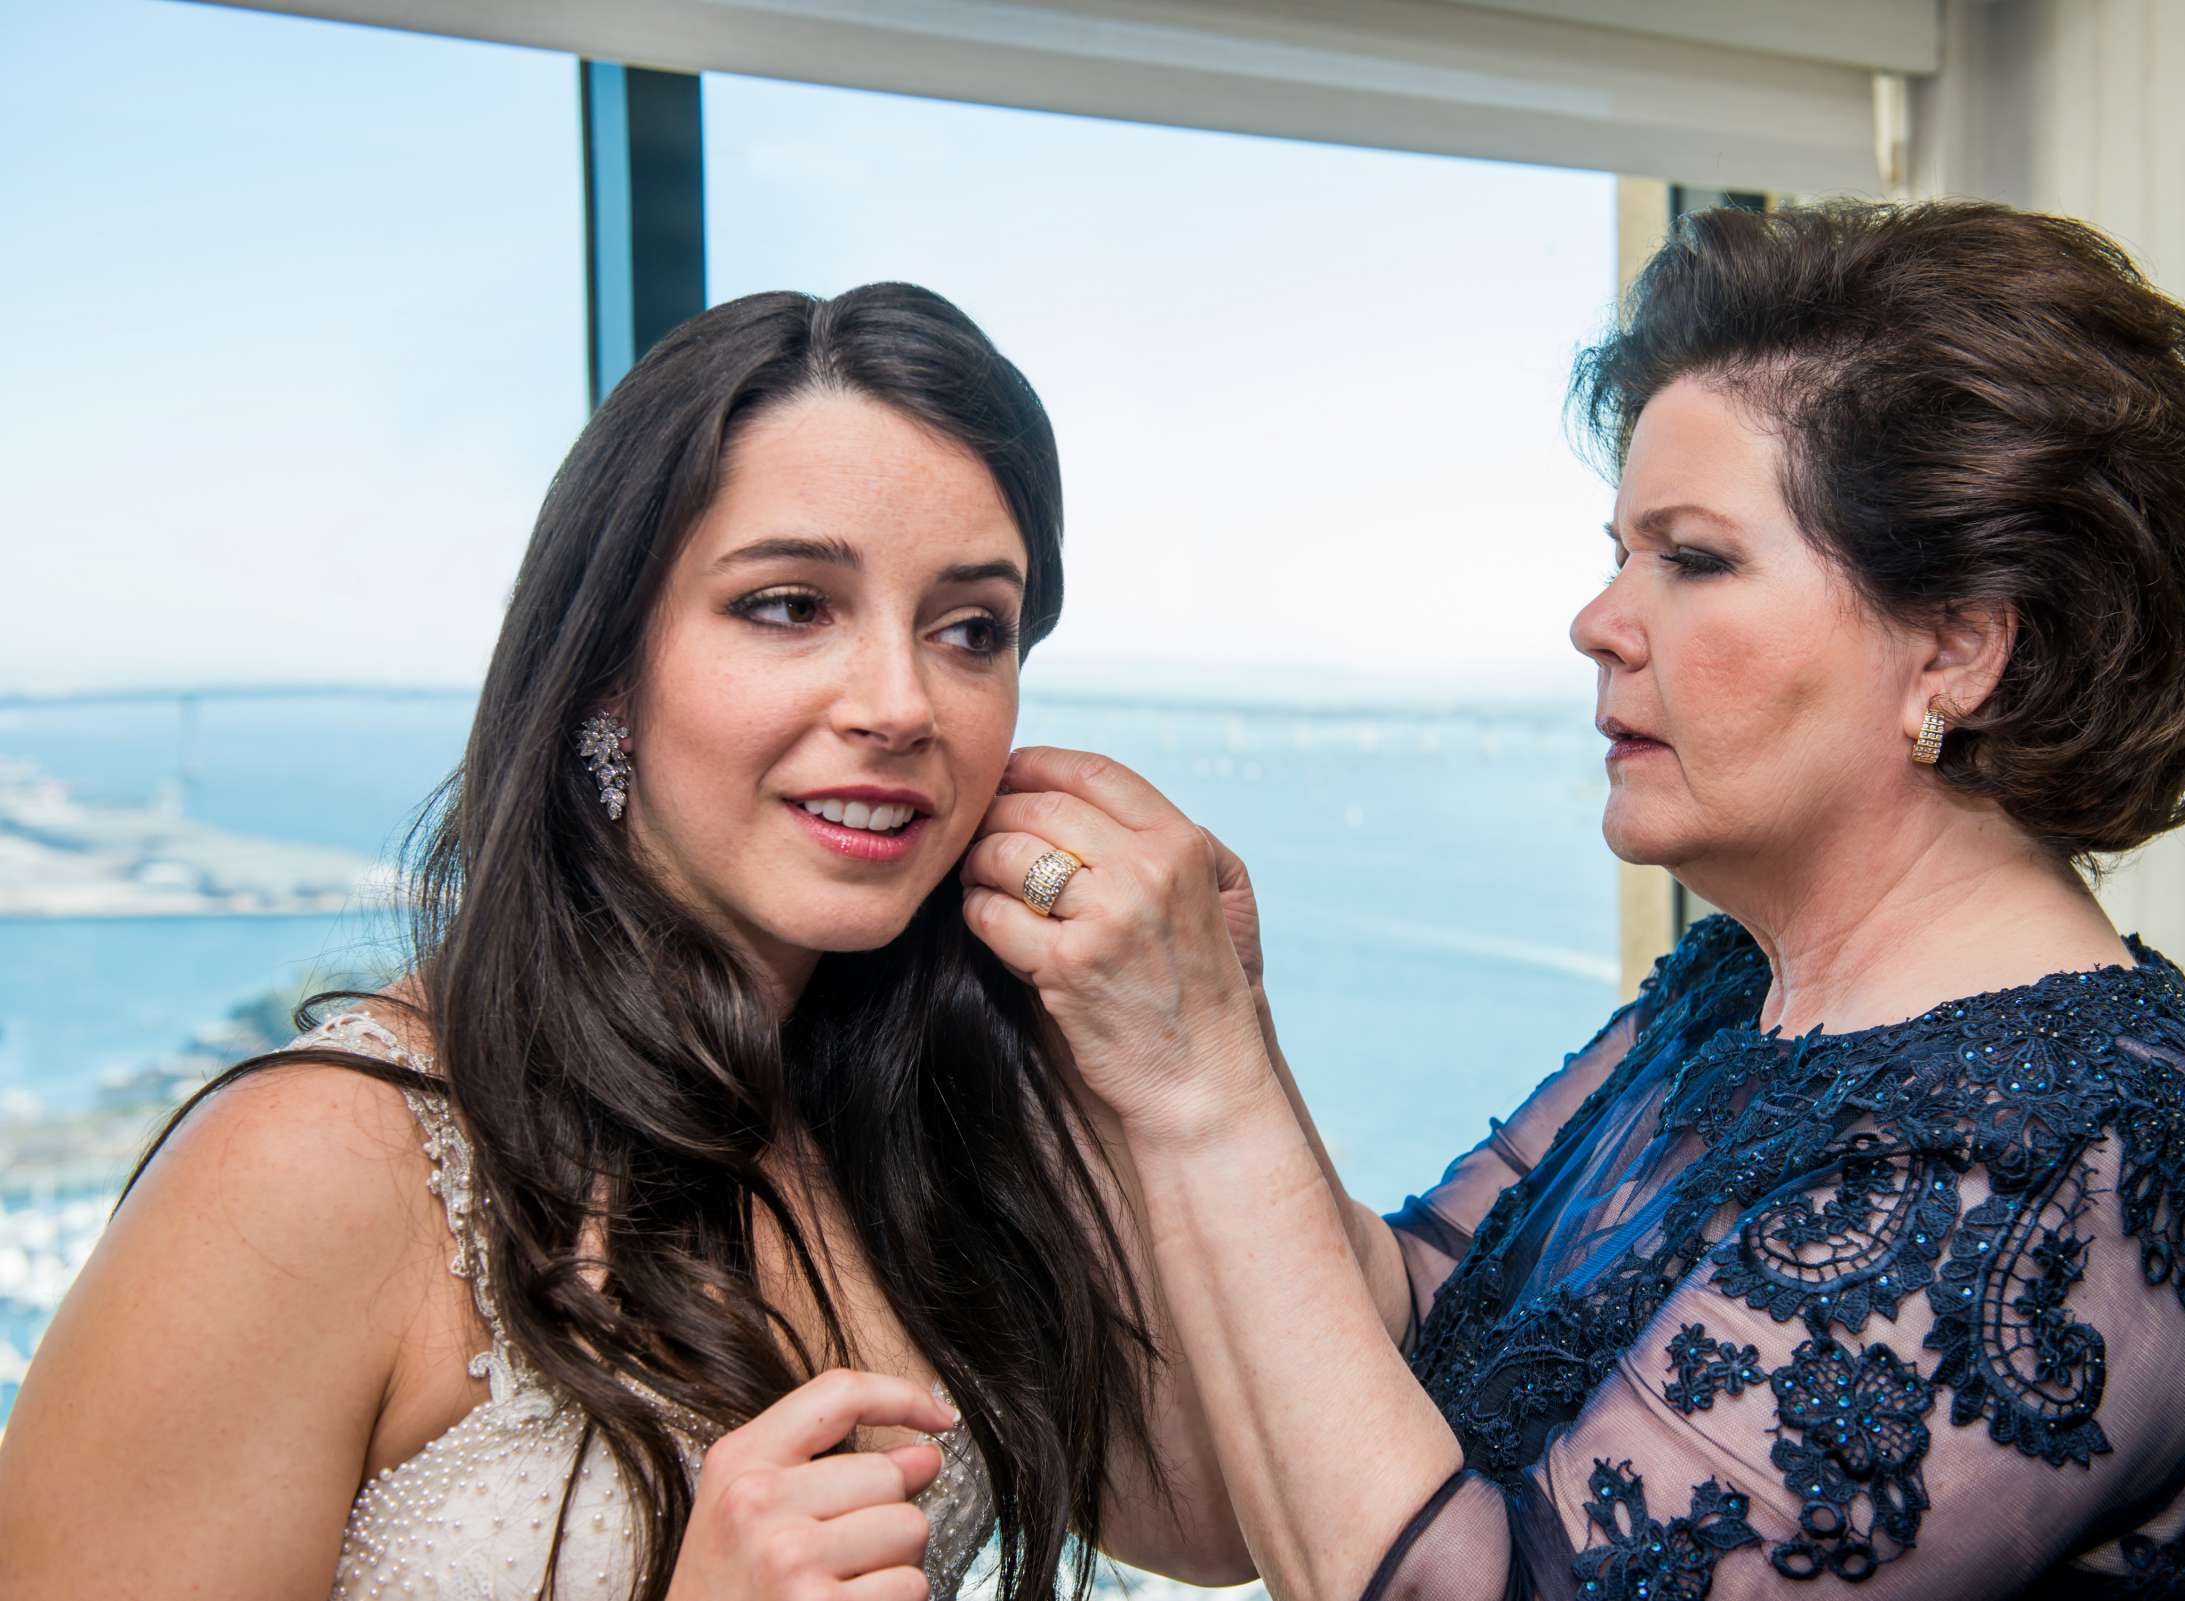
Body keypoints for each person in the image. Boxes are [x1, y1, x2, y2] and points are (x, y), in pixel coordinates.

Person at [961, 201, 2185, 1598]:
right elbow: (1410, 1325)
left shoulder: (2054, 1154)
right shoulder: (1733, 995)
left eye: (1694, 558)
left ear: (1955, 648)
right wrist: (1212, 1022)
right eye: (1621, 552)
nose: (1600, 620)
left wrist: (1205, 1084)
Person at [0, 286, 1252, 1600]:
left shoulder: (913, 1120)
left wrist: (1209, 1046)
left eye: (969, 628)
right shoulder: (310, 1171)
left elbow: (1224, 1518)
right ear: (607, 661)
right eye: (787, 604)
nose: (900, 703)